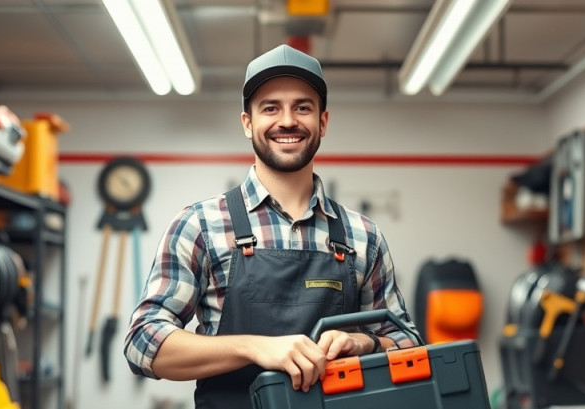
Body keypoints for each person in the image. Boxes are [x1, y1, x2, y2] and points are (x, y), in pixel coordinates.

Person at [124, 44, 419, 409]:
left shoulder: (364, 237)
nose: (287, 120)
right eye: (270, 107)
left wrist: (367, 343)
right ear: (248, 123)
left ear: (322, 122)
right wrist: (254, 346)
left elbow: (408, 343)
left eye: (303, 107)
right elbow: (143, 343)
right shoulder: (199, 226)